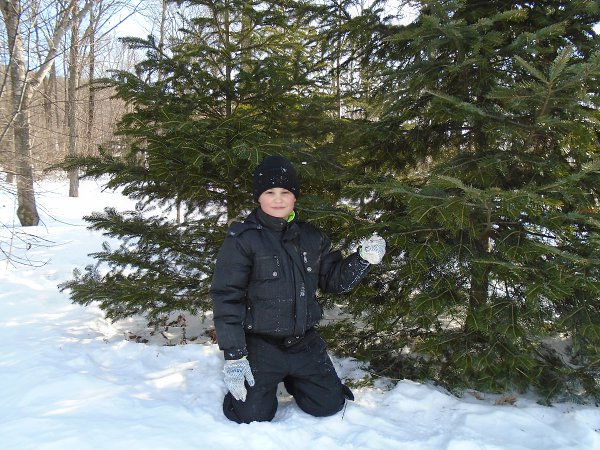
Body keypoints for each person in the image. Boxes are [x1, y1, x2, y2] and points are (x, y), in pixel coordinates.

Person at [209, 155, 386, 423]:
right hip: (260, 344)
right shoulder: (243, 239)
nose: (278, 199)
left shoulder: (312, 237)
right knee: (252, 416)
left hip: (303, 342)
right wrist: (234, 355)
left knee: (329, 405)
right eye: (270, 192)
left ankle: (295, 376)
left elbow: (334, 281)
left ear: (294, 197)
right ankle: (264, 383)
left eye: (285, 192)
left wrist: (362, 259)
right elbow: (226, 297)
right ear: (258, 197)